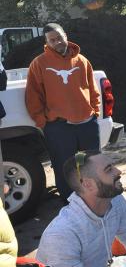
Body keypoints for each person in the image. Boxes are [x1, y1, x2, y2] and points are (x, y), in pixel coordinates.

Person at [25, 23, 101, 201]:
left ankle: (96, 198)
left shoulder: (82, 60)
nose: (57, 42)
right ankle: (70, 204)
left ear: (65, 35)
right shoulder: (39, 64)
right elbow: (33, 96)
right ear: (47, 42)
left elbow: (92, 88)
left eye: (59, 37)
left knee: (91, 164)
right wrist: (42, 122)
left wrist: (95, 112)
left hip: (87, 125)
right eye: (52, 40)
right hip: (59, 128)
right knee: (65, 167)